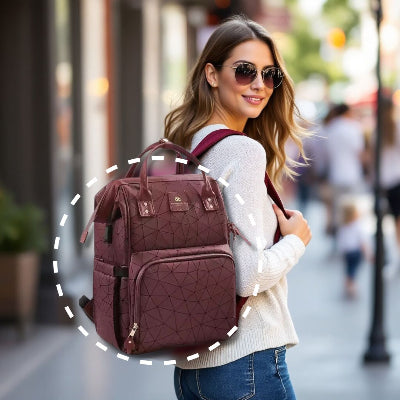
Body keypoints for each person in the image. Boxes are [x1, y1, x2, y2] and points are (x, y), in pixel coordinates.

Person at [164, 15, 312, 400]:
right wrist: (296, 241)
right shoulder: (242, 151)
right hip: (247, 362)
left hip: (195, 372)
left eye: (270, 74)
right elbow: (246, 276)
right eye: (245, 71)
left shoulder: (191, 146)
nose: (259, 85)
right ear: (211, 74)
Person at [381, 97, 400, 276]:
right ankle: (395, 257)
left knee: (391, 223)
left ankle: (394, 258)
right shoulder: (393, 127)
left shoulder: (382, 129)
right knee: (395, 222)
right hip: (394, 180)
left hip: (385, 181)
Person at [336, 200, 369, 298]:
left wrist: (341, 251)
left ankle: (348, 284)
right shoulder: (357, 225)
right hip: (356, 252)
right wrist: (367, 253)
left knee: (349, 269)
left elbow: (341, 240)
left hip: (347, 252)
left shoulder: (343, 226)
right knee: (353, 269)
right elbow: (362, 241)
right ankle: (351, 286)